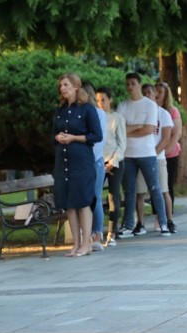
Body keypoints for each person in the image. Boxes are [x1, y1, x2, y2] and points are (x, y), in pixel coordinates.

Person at [52, 73, 102, 257]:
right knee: (69, 203)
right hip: (63, 161)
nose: (62, 88)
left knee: (83, 202)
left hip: (82, 161)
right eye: (61, 86)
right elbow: (52, 135)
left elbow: (97, 136)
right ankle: (76, 244)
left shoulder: (87, 109)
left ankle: (86, 244)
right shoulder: (60, 110)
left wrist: (73, 138)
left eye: (66, 85)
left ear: (76, 87)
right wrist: (58, 137)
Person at [116, 73, 170, 237]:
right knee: (130, 191)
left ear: (140, 85)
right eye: (128, 84)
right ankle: (128, 226)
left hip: (147, 153)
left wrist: (128, 130)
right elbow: (118, 129)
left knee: (155, 188)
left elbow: (149, 129)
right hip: (128, 154)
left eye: (133, 83)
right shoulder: (123, 105)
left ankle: (163, 223)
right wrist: (136, 127)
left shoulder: (149, 105)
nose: (130, 87)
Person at [133, 84, 176, 234]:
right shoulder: (140, 113)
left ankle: (169, 221)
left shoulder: (163, 114)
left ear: (155, 94)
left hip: (157, 158)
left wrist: (152, 155)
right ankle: (141, 223)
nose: (147, 96)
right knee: (140, 192)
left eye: (149, 93)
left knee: (163, 190)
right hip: (140, 156)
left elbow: (165, 139)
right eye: (144, 93)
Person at [96, 86, 126, 246]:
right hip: (98, 162)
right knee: (95, 196)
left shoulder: (116, 118)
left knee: (113, 196)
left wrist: (112, 163)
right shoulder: (95, 116)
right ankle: (96, 232)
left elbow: (122, 145)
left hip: (115, 161)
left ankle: (112, 232)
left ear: (110, 100)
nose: (101, 103)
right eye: (98, 100)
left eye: (103, 100)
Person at [82, 81, 107, 251]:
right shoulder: (77, 113)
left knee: (96, 198)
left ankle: (97, 234)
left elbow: (100, 140)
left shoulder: (99, 113)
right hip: (81, 162)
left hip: (95, 160)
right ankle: (85, 235)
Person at [155, 82, 182, 222]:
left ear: (166, 95)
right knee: (155, 186)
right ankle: (158, 216)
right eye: (156, 91)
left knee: (167, 185)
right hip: (154, 154)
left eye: (160, 92)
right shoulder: (150, 110)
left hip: (169, 154)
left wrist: (167, 149)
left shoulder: (172, 111)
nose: (157, 94)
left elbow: (177, 133)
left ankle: (167, 216)